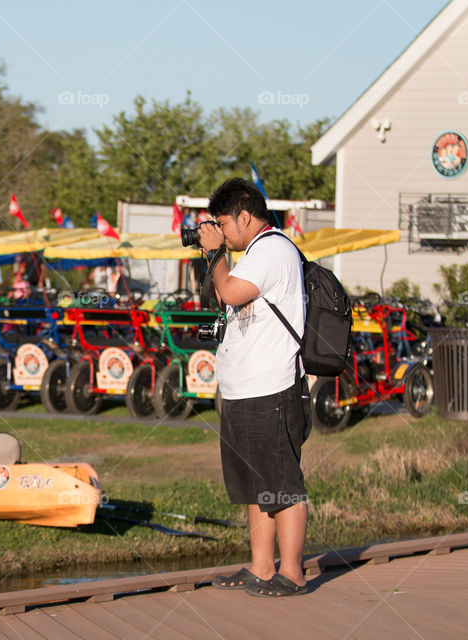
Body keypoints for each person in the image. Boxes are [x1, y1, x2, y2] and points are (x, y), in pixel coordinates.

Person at [197, 177, 309, 598]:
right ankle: (262, 566)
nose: (221, 232)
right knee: (254, 487)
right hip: (243, 390)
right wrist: (214, 257)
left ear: (245, 216)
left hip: (272, 388)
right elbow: (221, 296)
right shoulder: (252, 254)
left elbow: (228, 293)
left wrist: (215, 254)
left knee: (281, 483)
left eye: (223, 223)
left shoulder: (274, 249)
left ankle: (293, 571)